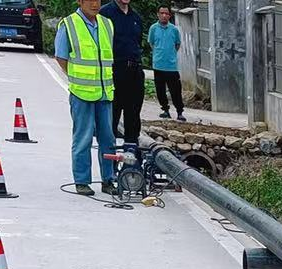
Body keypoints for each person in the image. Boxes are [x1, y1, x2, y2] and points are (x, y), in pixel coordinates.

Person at [55, 0, 117, 196]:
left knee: (108, 139)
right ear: (80, 1)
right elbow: (61, 57)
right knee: (83, 138)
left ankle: (109, 179)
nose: (94, 4)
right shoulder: (69, 24)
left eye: (97, 0)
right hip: (81, 93)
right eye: (89, 0)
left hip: (105, 92)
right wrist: (76, 77)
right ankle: (82, 181)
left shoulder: (107, 24)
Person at [101, 0, 145, 143]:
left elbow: (137, 43)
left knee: (133, 116)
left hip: (135, 72)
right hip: (114, 71)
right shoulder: (104, 15)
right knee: (111, 115)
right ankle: (108, 153)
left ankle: (131, 149)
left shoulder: (136, 17)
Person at [149, 7, 185, 122]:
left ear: (170, 15)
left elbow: (177, 44)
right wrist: (158, 54)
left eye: (166, 13)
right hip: (158, 65)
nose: (164, 15)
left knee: (176, 91)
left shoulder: (174, 29)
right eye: (162, 13)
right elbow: (151, 43)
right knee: (160, 90)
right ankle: (165, 110)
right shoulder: (153, 28)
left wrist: (170, 54)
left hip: (171, 66)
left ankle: (179, 112)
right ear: (158, 14)